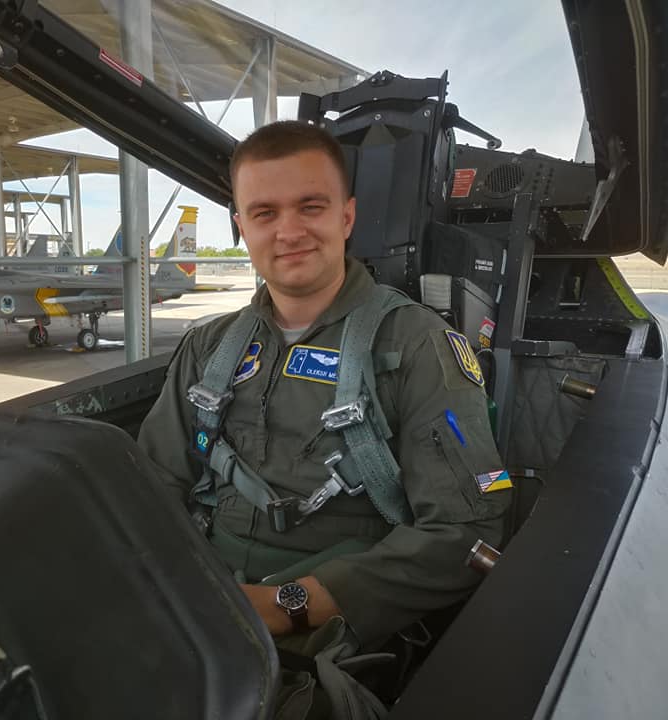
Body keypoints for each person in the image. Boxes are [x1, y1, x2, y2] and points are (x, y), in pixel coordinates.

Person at [137, 120, 510, 711]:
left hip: (332, 629)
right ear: (242, 227)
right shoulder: (209, 349)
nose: (288, 231)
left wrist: (289, 605)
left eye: (310, 206)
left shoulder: (417, 346)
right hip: (203, 597)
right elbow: (150, 486)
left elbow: (466, 534)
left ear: (346, 217)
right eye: (264, 213)